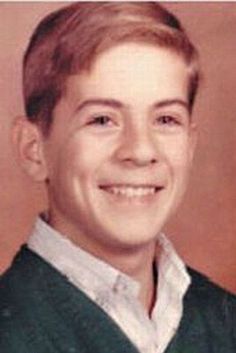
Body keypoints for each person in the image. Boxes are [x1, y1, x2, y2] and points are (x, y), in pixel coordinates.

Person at [0, 2, 235, 353]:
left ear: (189, 145)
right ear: (34, 149)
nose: (140, 151)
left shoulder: (226, 319)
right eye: (102, 120)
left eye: (166, 120)